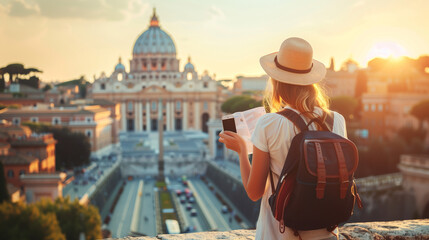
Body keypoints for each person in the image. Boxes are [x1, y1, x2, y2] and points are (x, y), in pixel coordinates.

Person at [219, 37, 347, 240]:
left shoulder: (268, 123)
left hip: (279, 235)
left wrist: (243, 151)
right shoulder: (337, 120)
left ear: (276, 81)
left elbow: (254, 192)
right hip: (328, 234)